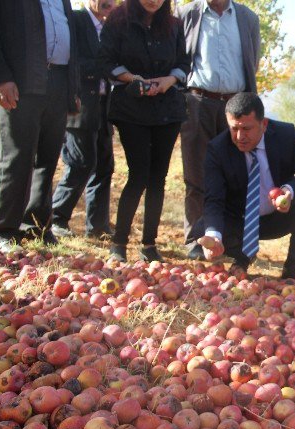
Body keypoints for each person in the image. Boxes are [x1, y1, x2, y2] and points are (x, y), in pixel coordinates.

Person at [198, 93, 295, 288]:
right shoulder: (218, 148)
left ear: (263, 124)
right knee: (203, 227)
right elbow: (213, 200)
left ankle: (293, 266)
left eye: (246, 129)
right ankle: (242, 258)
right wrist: (214, 235)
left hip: (278, 217)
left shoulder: (285, 135)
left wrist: (289, 191)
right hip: (240, 221)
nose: (239, 137)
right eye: (234, 129)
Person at [98, 0, 189, 262]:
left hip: (167, 109)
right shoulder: (118, 21)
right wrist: (133, 79)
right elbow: (105, 60)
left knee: (158, 178)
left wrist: (169, 80)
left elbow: (184, 62)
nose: (153, 1)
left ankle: (149, 244)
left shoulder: (174, 25)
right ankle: (119, 243)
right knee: (138, 175)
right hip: (131, 109)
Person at [0, 0, 79, 252]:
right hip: (19, 80)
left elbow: (71, 39)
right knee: (17, 157)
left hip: (58, 81)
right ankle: (2, 230)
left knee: (48, 159)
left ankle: (36, 225)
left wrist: (73, 88)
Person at [175, 0, 260, 261]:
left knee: (236, 176)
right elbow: (180, 57)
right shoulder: (186, 13)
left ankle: (231, 241)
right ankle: (197, 240)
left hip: (236, 107)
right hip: (197, 102)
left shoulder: (248, 18)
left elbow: (251, 62)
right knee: (196, 175)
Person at [51, 0, 117, 240]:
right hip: (80, 104)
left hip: (103, 105)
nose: (110, 3)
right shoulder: (77, 20)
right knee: (81, 162)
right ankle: (56, 217)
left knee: (104, 166)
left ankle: (97, 226)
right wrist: (104, 66)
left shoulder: (110, 28)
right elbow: (71, 60)